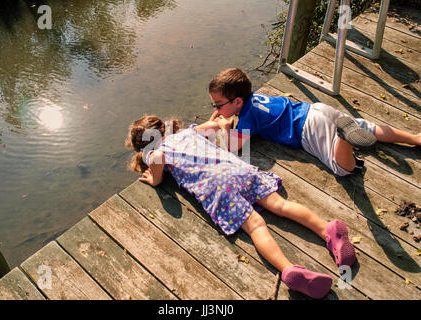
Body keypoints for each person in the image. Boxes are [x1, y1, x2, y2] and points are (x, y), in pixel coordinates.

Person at [125, 114, 356, 299]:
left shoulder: (157, 151)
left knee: (256, 226)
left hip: (217, 186)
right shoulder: (186, 133)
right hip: (237, 169)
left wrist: (154, 179)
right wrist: (221, 122)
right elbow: (215, 125)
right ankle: (327, 229)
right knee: (281, 205)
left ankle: (289, 270)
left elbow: (157, 160)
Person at [206, 68, 421, 176]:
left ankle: (344, 139)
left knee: (342, 168)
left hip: (307, 130)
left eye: (218, 105)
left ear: (238, 101)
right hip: (314, 109)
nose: (216, 109)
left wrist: (225, 126)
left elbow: (231, 148)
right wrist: (225, 114)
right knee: (368, 127)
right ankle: (414, 138)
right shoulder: (255, 99)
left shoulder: (247, 118)